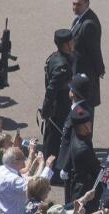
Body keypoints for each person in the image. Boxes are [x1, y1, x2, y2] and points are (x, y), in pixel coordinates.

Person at [42, 29, 75, 157]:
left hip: (56, 108)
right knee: (55, 143)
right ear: (65, 44)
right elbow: (52, 90)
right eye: (71, 41)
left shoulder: (54, 57)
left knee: (51, 138)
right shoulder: (62, 66)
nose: (73, 42)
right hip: (60, 109)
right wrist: (47, 109)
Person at [69, 0, 104, 108]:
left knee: (84, 111)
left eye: (79, 4)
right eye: (74, 4)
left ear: (87, 4)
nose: (75, 7)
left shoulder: (89, 25)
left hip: (85, 76)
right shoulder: (80, 18)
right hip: (76, 71)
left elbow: (95, 51)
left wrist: (100, 70)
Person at [64, 108, 99, 205]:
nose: (90, 124)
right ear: (82, 127)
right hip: (84, 189)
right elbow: (97, 170)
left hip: (75, 181)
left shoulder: (77, 134)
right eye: (88, 123)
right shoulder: (83, 149)